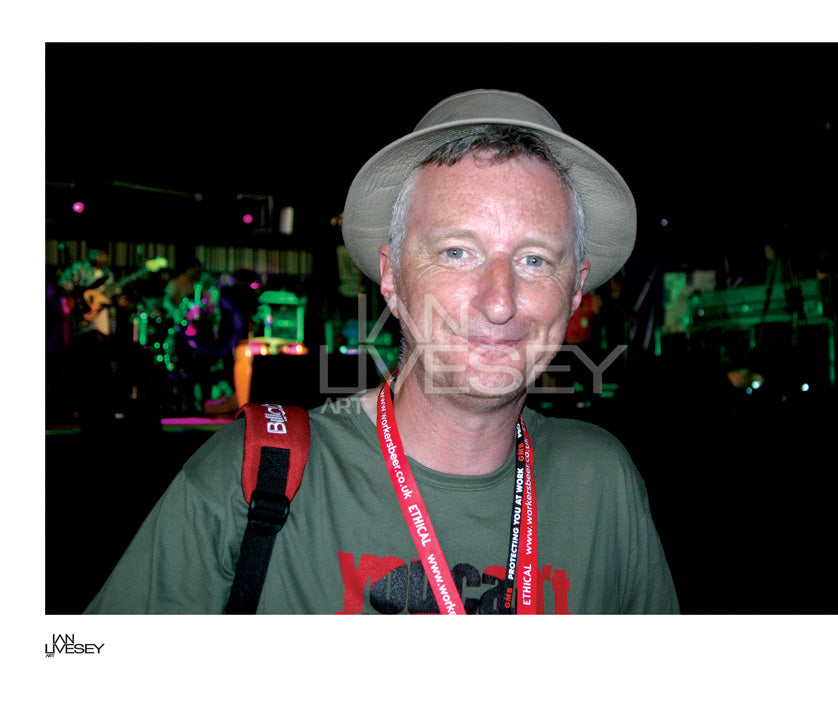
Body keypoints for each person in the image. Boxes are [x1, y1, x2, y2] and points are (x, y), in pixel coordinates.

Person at [85, 89, 679, 614]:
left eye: (534, 259)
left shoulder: (602, 485)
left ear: (574, 289)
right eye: (457, 252)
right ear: (392, 277)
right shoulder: (253, 478)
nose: (500, 302)